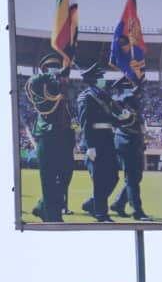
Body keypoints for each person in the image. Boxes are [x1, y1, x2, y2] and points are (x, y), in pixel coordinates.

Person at [77, 59, 131, 222]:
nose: (104, 79)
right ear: (94, 80)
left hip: (108, 139)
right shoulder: (86, 97)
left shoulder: (103, 96)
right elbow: (84, 122)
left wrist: (122, 118)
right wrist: (90, 146)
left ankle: (92, 203)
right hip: (96, 141)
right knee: (100, 180)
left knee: (113, 177)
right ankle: (102, 214)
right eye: (101, 77)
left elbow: (110, 119)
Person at [26, 52, 75, 222]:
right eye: (51, 66)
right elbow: (36, 83)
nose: (56, 68)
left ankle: (42, 206)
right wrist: (55, 73)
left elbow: (70, 104)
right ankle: (53, 217)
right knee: (48, 177)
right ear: (44, 68)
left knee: (66, 174)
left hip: (64, 135)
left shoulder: (64, 85)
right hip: (47, 133)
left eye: (57, 65)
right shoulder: (38, 82)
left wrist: (64, 78)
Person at [108, 74, 152, 221]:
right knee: (132, 178)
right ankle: (137, 212)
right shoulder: (118, 99)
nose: (138, 92)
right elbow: (118, 101)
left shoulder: (133, 102)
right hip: (125, 141)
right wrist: (133, 91)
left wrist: (142, 141)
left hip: (135, 141)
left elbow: (138, 124)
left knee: (136, 177)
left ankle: (119, 204)